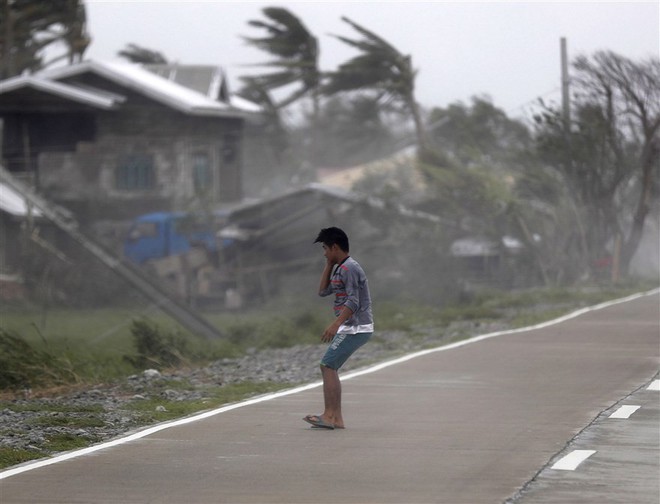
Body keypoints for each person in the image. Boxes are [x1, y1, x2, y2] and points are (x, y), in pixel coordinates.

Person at [303, 227, 373, 430]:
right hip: (351, 327)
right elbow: (323, 291)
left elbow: (354, 301)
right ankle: (336, 418)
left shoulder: (350, 268)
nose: (324, 253)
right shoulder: (339, 268)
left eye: (325, 249)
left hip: (356, 327)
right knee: (330, 366)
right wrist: (328, 264)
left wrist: (336, 324)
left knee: (328, 365)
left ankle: (330, 415)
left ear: (335, 247)